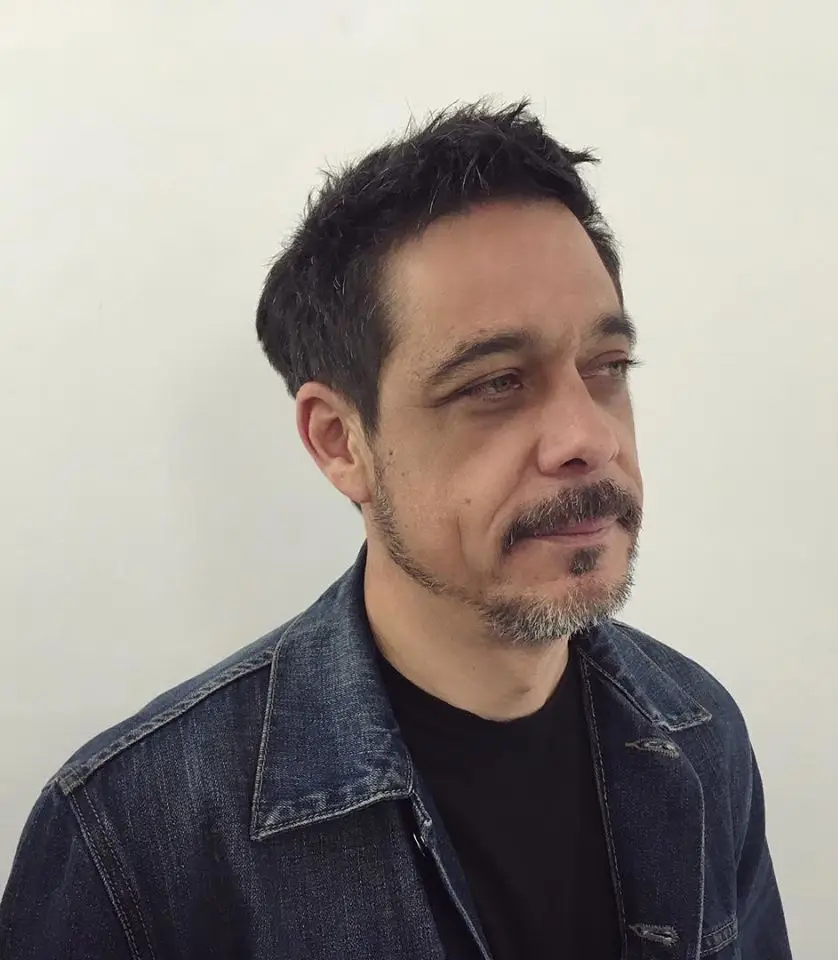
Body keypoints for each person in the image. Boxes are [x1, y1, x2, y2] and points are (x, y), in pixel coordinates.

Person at [0, 100, 791, 959]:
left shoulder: (698, 734)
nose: (589, 437)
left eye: (607, 367)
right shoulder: (132, 840)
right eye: (495, 383)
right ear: (341, 443)